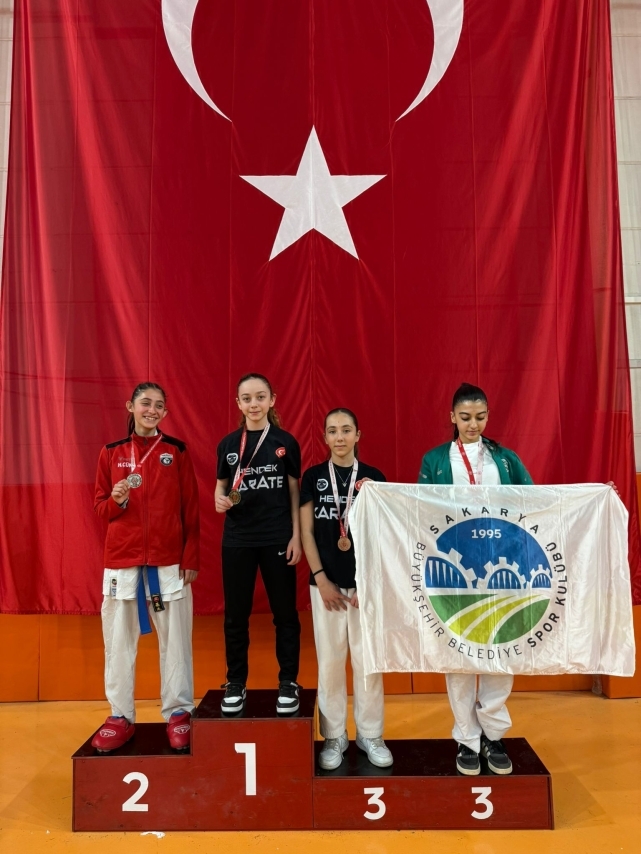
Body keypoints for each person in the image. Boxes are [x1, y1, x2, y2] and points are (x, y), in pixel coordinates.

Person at [418, 383, 532, 776]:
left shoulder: (504, 460)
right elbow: (419, 509)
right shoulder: (435, 460)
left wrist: (592, 495)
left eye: (480, 417)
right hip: (456, 570)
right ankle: (466, 738)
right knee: (460, 653)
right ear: (452, 417)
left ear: (488, 416)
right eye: (465, 417)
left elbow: (536, 501)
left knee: (501, 649)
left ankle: (493, 735)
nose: (473, 424)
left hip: (503, 567)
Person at [92, 382, 200, 752]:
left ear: (165, 412)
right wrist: (117, 500)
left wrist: (191, 556)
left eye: (158, 405)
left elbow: (190, 508)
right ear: (131, 406)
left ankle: (179, 713)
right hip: (122, 563)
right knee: (118, 645)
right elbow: (100, 509)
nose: (151, 410)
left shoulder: (176, 451)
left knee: (177, 644)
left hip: (168, 563)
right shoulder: (111, 452)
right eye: (145, 403)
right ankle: (120, 715)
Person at [300, 408, 393, 769]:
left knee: (368, 662)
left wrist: (369, 584)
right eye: (332, 431)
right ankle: (334, 736)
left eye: (346, 430)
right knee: (330, 663)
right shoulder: (313, 477)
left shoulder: (373, 477)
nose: (339, 437)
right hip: (326, 586)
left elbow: (382, 535)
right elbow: (306, 531)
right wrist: (320, 578)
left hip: (364, 587)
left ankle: (370, 734)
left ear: (358, 435)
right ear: (324, 437)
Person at [215, 374, 302, 715]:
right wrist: (219, 500)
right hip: (237, 539)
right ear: (238, 403)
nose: (254, 404)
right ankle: (235, 682)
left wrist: (296, 536)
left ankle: (288, 682)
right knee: (236, 616)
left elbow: (294, 492)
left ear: (272, 400)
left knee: (285, 615)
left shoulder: (285, 442)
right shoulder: (227, 445)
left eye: (260, 397)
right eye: (247, 398)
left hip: (277, 537)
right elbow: (220, 488)